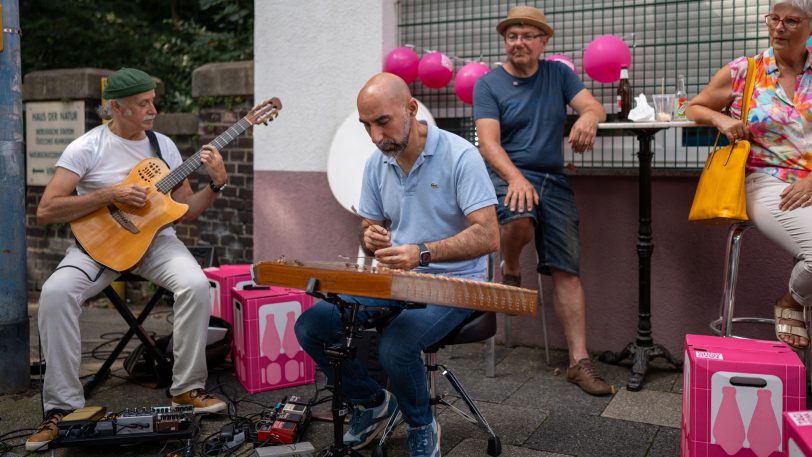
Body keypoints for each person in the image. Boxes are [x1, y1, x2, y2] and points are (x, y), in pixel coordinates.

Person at [294, 72, 499, 457]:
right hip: (399, 280)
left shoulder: (460, 156)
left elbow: (488, 236)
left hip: (456, 284)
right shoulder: (378, 162)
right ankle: (373, 404)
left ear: (410, 109)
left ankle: (423, 425)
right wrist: (369, 237)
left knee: (395, 347)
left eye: (382, 122)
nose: (374, 136)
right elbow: (369, 225)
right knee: (312, 325)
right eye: (366, 125)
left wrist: (422, 253)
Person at [26, 68, 227, 452]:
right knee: (54, 293)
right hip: (100, 247)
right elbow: (47, 209)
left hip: (155, 242)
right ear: (115, 107)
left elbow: (184, 210)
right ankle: (63, 409)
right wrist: (109, 195)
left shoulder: (162, 145)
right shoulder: (85, 148)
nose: (153, 109)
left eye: (153, 100)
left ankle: (186, 389)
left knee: (196, 284)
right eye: (142, 103)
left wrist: (216, 185)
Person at [473, 6, 612, 395]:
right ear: (506, 41)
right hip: (509, 175)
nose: (519, 42)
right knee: (519, 217)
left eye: (527, 35)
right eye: (512, 35)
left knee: (568, 269)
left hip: (554, 180)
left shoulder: (558, 74)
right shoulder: (489, 85)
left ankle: (579, 362)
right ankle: (512, 264)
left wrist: (588, 117)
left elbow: (592, 104)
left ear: (543, 42)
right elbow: (487, 143)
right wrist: (515, 177)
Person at [686, 0, 812, 350]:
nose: (779, 27)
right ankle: (791, 300)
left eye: (791, 20)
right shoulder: (748, 70)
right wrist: (720, 118)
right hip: (767, 180)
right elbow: (693, 106)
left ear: (810, 26)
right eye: (774, 18)